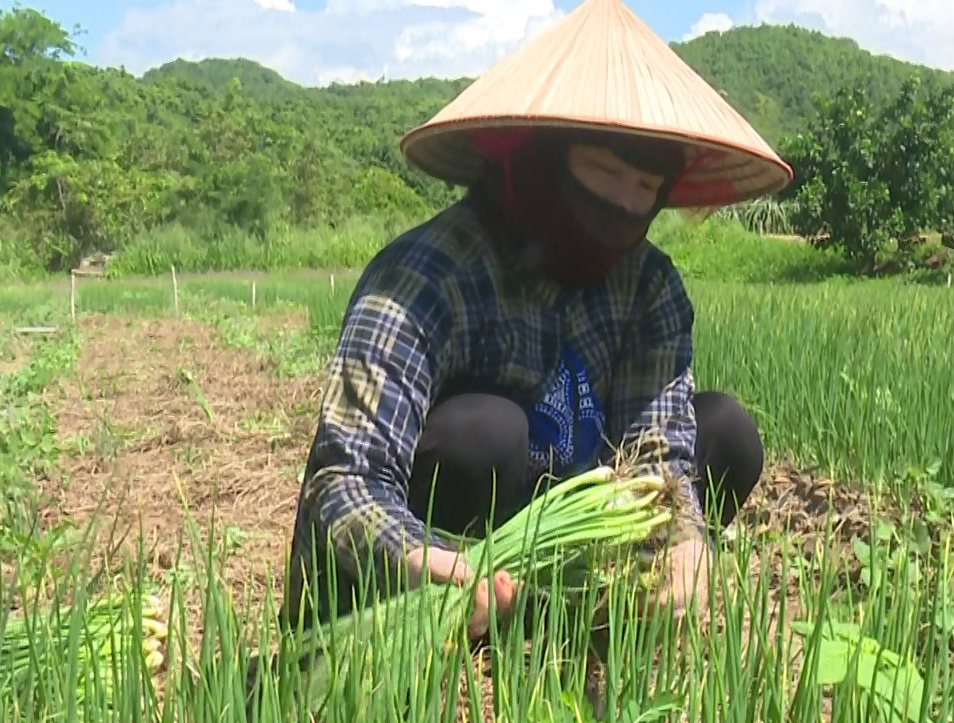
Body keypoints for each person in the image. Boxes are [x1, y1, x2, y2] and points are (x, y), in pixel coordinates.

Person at [280, 0, 793, 642]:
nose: (624, 206)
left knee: (725, 431)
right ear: (538, 158)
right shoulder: (426, 275)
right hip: (422, 571)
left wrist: (682, 535)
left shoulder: (648, 284)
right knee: (487, 433)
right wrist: (421, 560)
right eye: (604, 172)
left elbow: (659, 450)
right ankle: (458, 629)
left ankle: (583, 617)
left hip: (557, 545)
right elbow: (345, 481)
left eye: (645, 189)